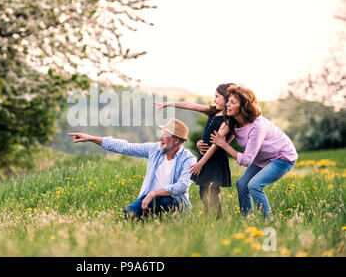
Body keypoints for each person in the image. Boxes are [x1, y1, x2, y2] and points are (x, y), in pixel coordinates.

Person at [68, 118, 197, 218]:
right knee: (129, 213)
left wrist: (153, 194)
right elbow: (125, 147)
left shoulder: (188, 159)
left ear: (176, 140)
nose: (160, 138)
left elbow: (182, 186)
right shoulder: (155, 150)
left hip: (174, 203)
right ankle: (150, 218)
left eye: (165, 135)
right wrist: (91, 138)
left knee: (164, 199)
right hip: (149, 199)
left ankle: (168, 221)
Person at [210, 85, 298, 220]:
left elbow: (245, 160)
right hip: (262, 158)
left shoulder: (257, 126)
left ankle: (267, 222)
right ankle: (247, 220)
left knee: (254, 185)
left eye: (232, 102)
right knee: (241, 184)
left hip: (283, 157)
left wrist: (224, 145)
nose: (227, 104)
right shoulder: (234, 121)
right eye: (228, 100)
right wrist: (202, 144)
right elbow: (221, 137)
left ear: (243, 106)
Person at [154, 83, 233, 218]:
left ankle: (217, 218)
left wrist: (200, 163)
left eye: (217, 97)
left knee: (213, 190)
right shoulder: (213, 111)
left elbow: (216, 144)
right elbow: (191, 105)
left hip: (215, 158)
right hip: (204, 155)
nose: (214, 100)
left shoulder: (228, 119)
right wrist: (168, 104)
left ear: (227, 98)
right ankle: (210, 216)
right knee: (203, 190)